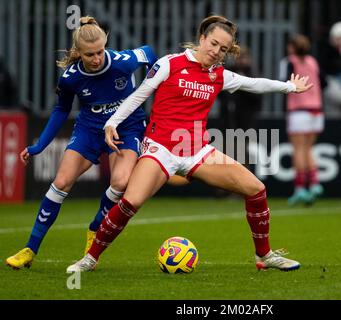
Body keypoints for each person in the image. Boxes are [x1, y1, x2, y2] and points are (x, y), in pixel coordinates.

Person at [67, 15, 313, 273]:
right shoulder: (169, 63)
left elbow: (254, 84)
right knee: (131, 202)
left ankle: (264, 255)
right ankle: (90, 258)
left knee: (256, 189)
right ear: (202, 38)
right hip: (160, 149)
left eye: (224, 49)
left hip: (196, 151)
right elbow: (139, 95)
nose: (217, 52)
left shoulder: (219, 75)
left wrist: (289, 87)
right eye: (214, 43)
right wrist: (112, 122)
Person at [5, 16, 185, 270]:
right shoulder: (70, 77)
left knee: (121, 182)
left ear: (106, 45)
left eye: (100, 51)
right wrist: (38, 147)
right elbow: (60, 110)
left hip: (127, 125)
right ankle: (30, 249)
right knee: (61, 182)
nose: (97, 58)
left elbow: (149, 52)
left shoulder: (123, 62)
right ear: (78, 52)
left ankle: (94, 228)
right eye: (90, 54)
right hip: (90, 128)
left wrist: (160, 86)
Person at [280, 35, 324, 206]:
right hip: (317, 110)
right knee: (308, 149)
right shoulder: (313, 61)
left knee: (298, 149)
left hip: (299, 110)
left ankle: (300, 188)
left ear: (292, 48)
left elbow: (283, 83)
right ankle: (314, 183)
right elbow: (323, 82)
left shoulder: (289, 61)